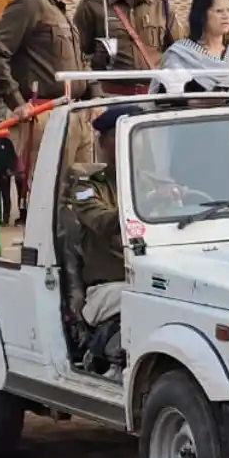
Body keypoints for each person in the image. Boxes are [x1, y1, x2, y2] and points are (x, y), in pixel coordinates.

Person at [0, 0, 100, 188]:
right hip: (46, 114)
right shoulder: (30, 4)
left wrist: (94, 97)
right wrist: (16, 102)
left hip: (75, 113)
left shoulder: (57, 10)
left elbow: (78, 63)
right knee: (52, 191)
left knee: (84, 191)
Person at [67, 105, 142, 328]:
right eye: (117, 135)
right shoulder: (87, 187)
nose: (127, 141)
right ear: (101, 143)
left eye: (135, 133)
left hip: (156, 281)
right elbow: (99, 220)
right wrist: (144, 209)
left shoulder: (156, 183)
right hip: (110, 285)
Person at [147, 0, 229, 94]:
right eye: (219, 11)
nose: (226, 16)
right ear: (201, 15)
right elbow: (165, 96)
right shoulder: (179, 54)